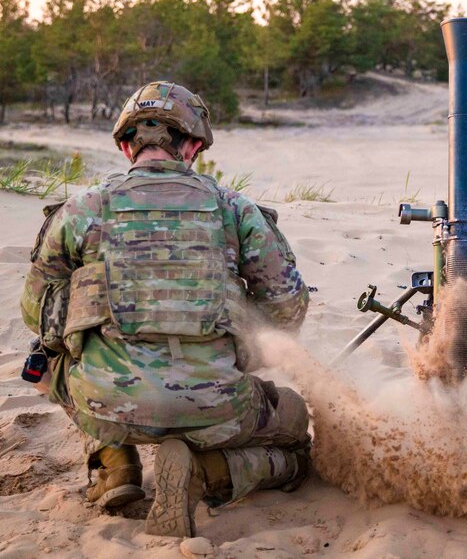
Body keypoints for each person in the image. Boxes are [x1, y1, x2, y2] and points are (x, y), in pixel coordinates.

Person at [20, 82, 311, 539]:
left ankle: (115, 465)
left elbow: (37, 311)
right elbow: (287, 307)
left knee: (54, 361)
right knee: (294, 431)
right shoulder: (235, 208)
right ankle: (209, 471)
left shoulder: (82, 208)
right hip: (218, 407)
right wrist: (244, 349)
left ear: (124, 145)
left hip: (107, 405)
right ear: (193, 145)